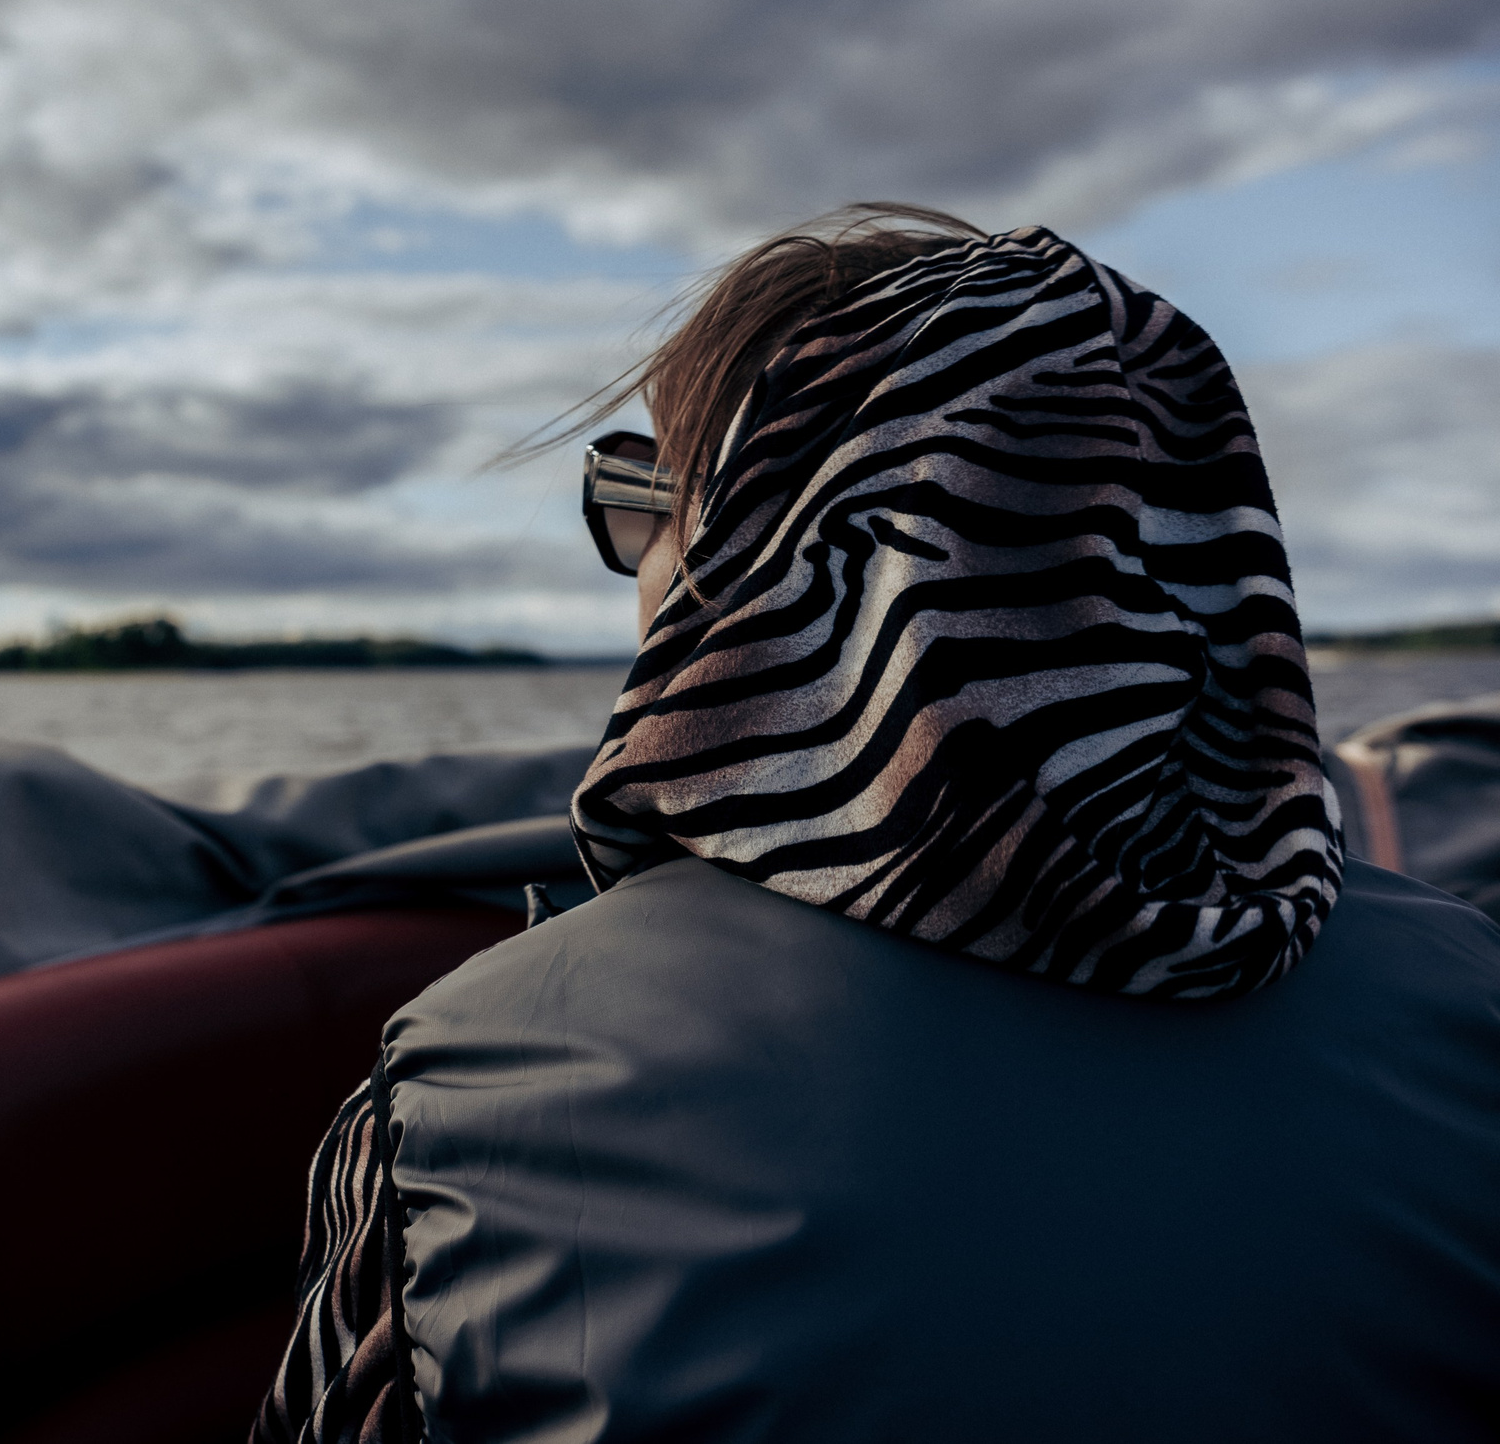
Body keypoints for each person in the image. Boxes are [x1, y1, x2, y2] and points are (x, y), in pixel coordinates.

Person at [251, 207, 1500, 1443]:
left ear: (771, 548)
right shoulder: (1473, 1001)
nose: (639, 572)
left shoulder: (468, 1075)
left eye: (650, 499)